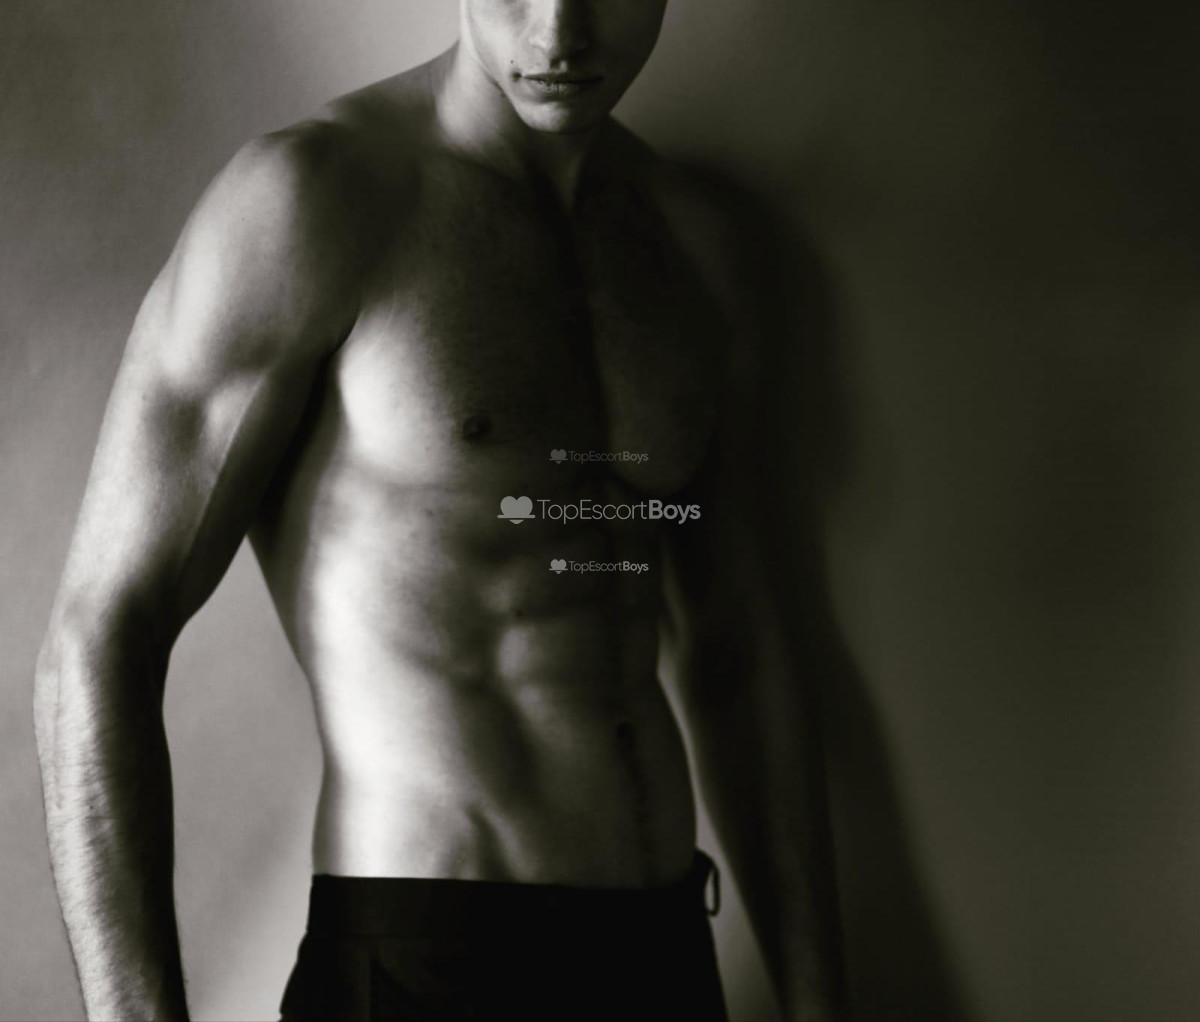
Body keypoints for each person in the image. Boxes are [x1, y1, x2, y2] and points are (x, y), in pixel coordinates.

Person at [33, 1, 847, 1019]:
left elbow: (738, 654)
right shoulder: (318, 200)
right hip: (427, 961)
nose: (559, 31)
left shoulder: (697, 245)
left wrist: (820, 1002)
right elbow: (100, 634)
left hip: (665, 953)